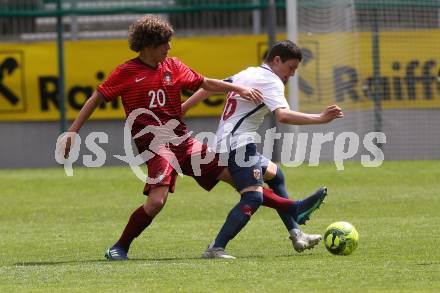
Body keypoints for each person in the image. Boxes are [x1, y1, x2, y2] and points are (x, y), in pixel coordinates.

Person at [57, 16, 323, 261]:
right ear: (149, 44)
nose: (169, 47)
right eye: (164, 43)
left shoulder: (173, 66)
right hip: (155, 145)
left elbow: (206, 83)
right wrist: (72, 132)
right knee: (155, 203)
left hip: (183, 142)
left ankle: (294, 209)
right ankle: (119, 247)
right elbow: (97, 98)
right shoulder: (126, 72)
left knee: (240, 180)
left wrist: (237, 87)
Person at [182, 40, 343, 259]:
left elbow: (209, 88)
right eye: (291, 68)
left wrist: (182, 110)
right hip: (237, 145)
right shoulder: (272, 81)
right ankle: (216, 248)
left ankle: (297, 234)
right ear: (277, 60)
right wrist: (321, 118)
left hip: (227, 143)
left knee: (276, 175)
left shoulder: (249, 72)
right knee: (253, 198)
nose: (292, 74)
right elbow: (283, 115)